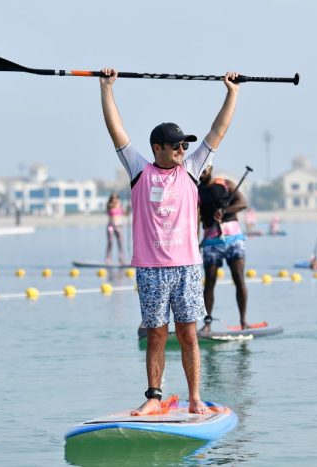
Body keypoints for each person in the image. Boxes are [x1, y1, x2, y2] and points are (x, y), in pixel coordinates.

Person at [99, 67, 240, 416]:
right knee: (156, 335)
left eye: (184, 145)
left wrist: (232, 93)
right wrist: (106, 88)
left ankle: (194, 398)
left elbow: (217, 132)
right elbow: (116, 132)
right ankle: (154, 397)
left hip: (187, 268)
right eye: (175, 145)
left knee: (189, 335)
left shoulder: (191, 170)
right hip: (150, 270)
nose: (181, 149)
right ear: (157, 148)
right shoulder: (139, 171)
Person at [198, 164, 248, 331]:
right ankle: (207, 324)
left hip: (234, 239)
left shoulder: (227, 184)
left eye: (204, 170)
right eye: (200, 170)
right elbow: (195, 217)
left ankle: (243, 321)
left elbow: (242, 203)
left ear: (211, 168)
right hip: (211, 242)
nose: (202, 173)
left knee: (239, 278)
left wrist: (225, 210)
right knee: (210, 282)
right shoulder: (196, 191)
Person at [105, 192, 126, 264]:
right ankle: (108, 258)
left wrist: (129, 208)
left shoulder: (120, 206)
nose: (114, 199)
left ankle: (121, 259)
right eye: (113, 198)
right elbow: (109, 210)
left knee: (120, 243)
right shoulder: (109, 205)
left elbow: (125, 214)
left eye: (116, 198)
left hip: (119, 226)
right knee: (110, 242)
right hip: (111, 226)